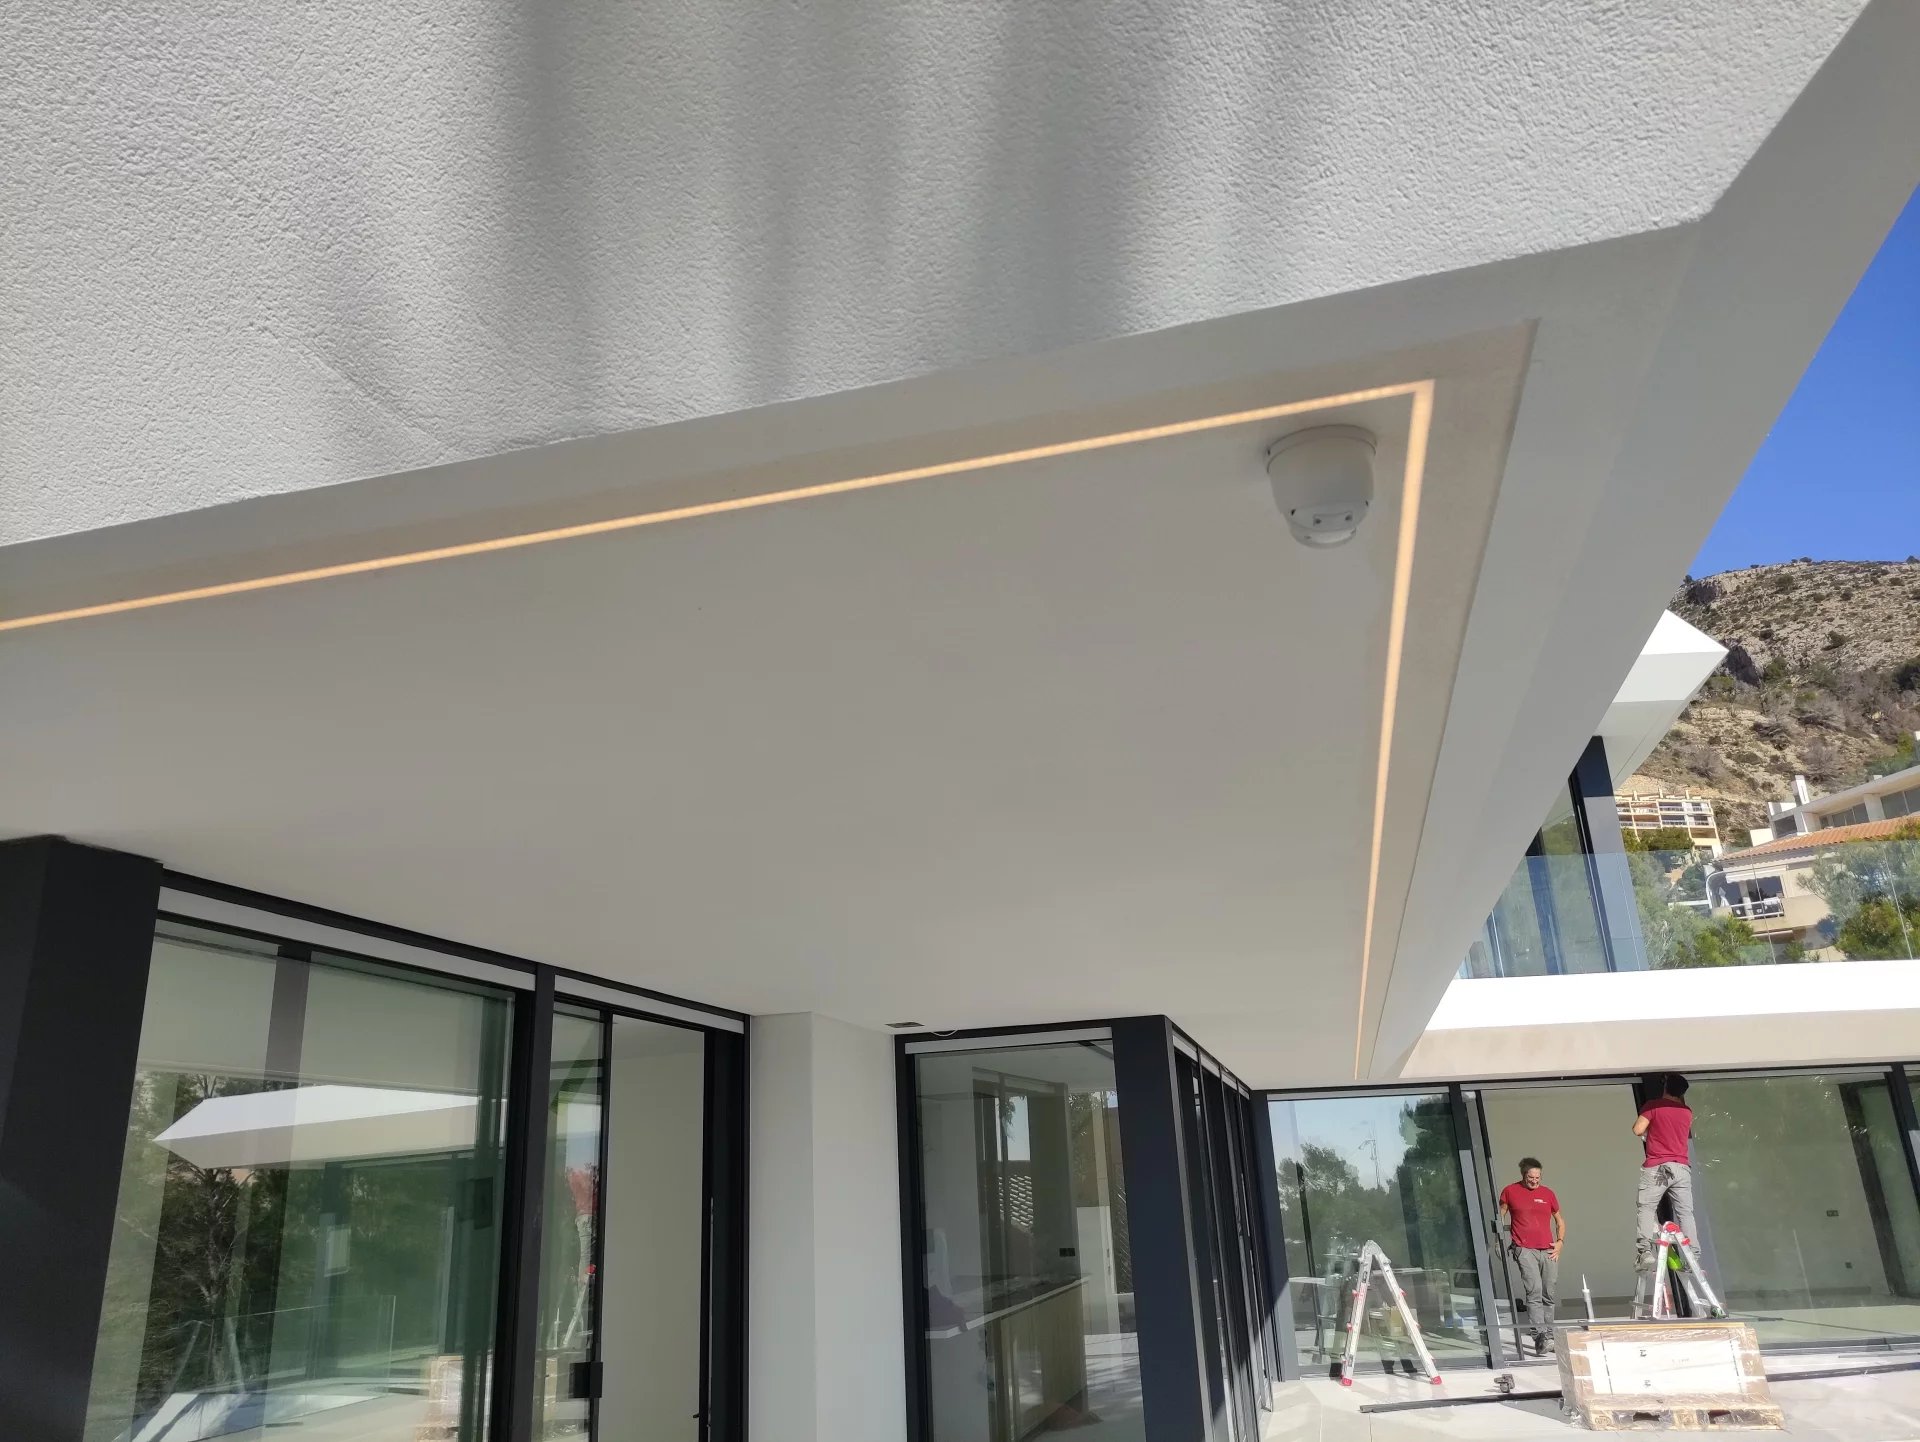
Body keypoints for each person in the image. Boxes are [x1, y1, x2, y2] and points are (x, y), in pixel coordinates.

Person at [1497, 1156, 1564, 1356]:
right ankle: (1540, 1337)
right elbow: (1500, 1216)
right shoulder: (1510, 1191)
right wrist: (1498, 1242)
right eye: (1531, 1177)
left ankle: (1550, 1336)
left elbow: (1560, 1221)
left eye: (1537, 1177)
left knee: (1549, 1293)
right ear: (1523, 1175)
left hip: (1548, 1250)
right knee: (1534, 1291)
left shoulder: (1548, 1193)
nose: (1534, 1181)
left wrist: (1560, 1243)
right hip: (1524, 1249)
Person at [1634, 1072, 1697, 1268]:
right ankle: (1693, 1254)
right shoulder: (1687, 1112)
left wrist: (1650, 1130)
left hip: (1658, 1167)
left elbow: (1637, 1129)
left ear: (1665, 1087)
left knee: (1646, 1208)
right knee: (1685, 1213)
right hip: (1681, 1168)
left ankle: (1644, 1252)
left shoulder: (1654, 1106)